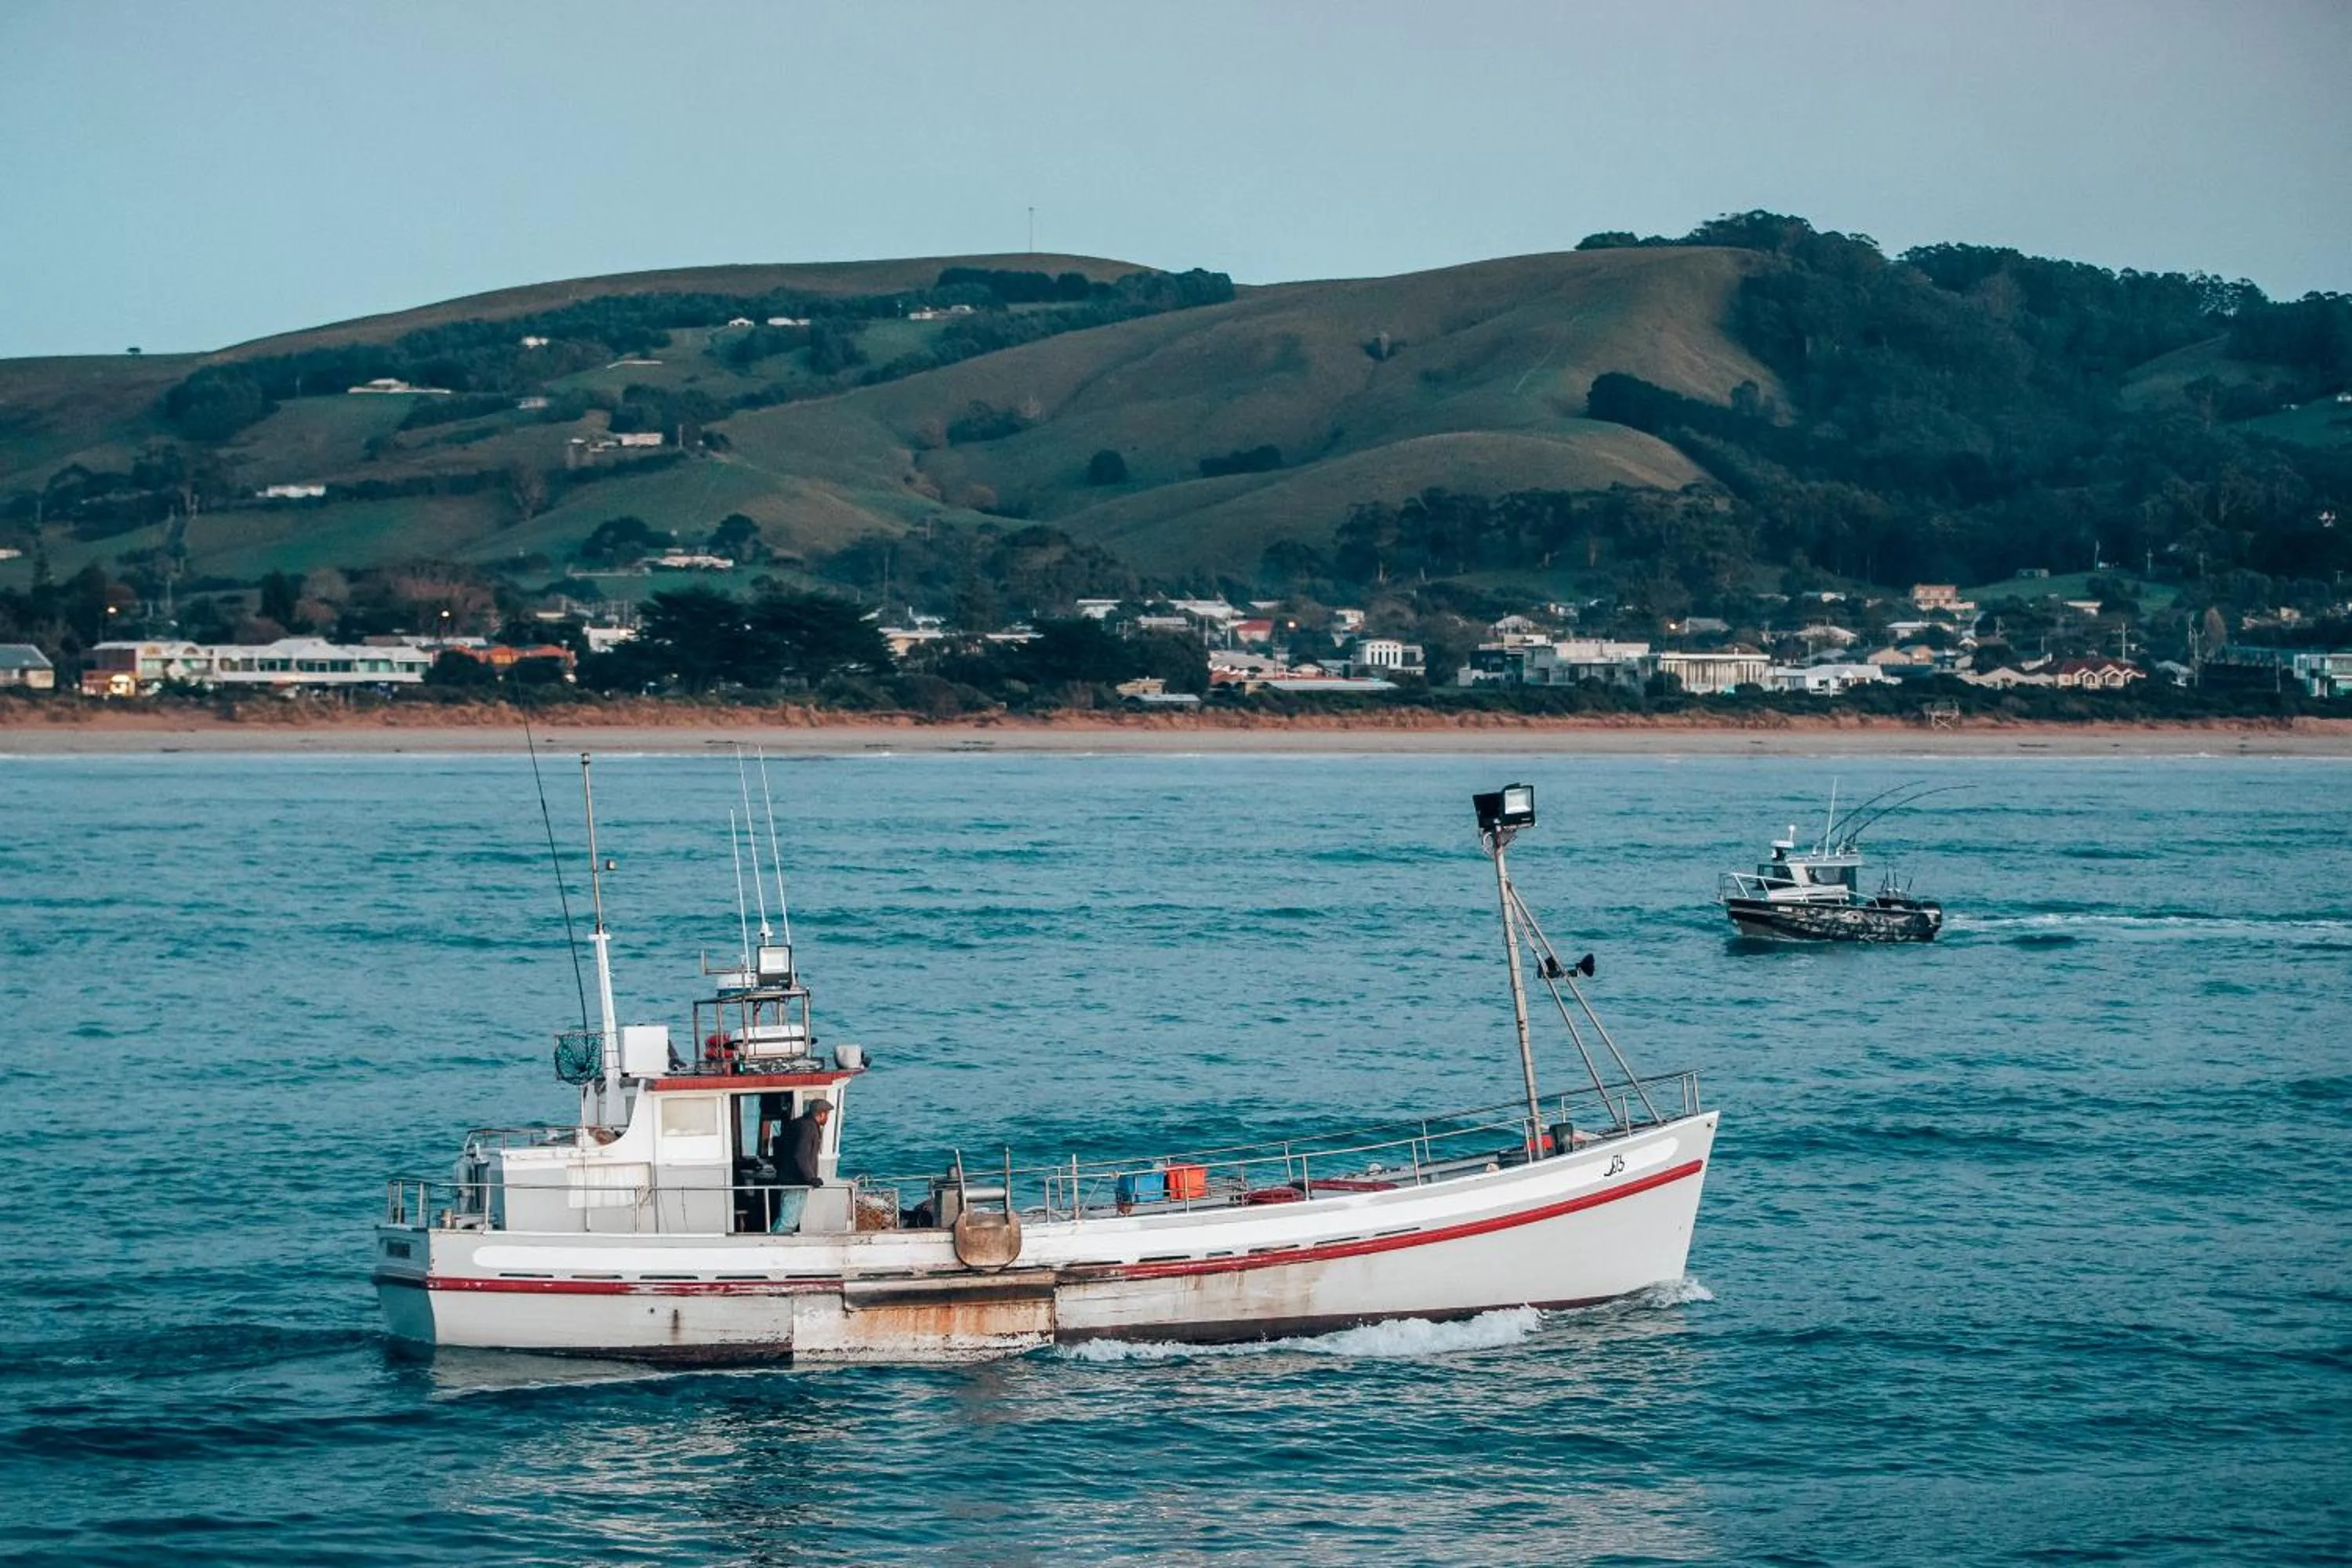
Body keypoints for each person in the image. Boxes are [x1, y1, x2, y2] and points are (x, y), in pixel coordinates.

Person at [779, 1098, 831, 1189]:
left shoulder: (801, 1123)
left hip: (789, 1179)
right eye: (827, 1114)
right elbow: (801, 1155)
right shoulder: (809, 1127)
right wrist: (811, 1178)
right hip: (795, 1182)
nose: (827, 1117)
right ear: (821, 1113)